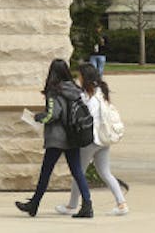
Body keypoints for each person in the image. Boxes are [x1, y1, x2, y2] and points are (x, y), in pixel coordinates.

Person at [15, 59, 94, 218]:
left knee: (46, 172)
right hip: (73, 136)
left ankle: (34, 204)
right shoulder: (74, 89)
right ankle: (87, 205)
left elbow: (53, 114)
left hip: (57, 139)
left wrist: (38, 118)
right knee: (77, 171)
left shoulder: (54, 91)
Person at [55, 63, 128, 217]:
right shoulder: (101, 92)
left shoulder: (87, 96)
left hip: (90, 140)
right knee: (105, 172)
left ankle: (72, 205)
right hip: (104, 139)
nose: (78, 78)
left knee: (78, 172)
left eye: (79, 75)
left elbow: (86, 117)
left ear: (84, 77)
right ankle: (121, 203)